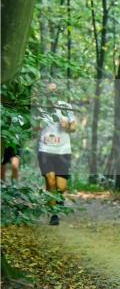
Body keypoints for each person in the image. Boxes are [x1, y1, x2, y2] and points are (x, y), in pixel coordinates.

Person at [36, 83, 76, 225]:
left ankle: (58, 204)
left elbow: (74, 127)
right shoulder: (40, 108)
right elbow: (32, 126)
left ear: (58, 93)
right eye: (49, 91)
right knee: (50, 181)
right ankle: (54, 214)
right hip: (45, 150)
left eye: (54, 91)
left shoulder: (65, 107)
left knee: (61, 186)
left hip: (63, 151)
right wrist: (37, 125)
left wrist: (67, 126)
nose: (51, 94)